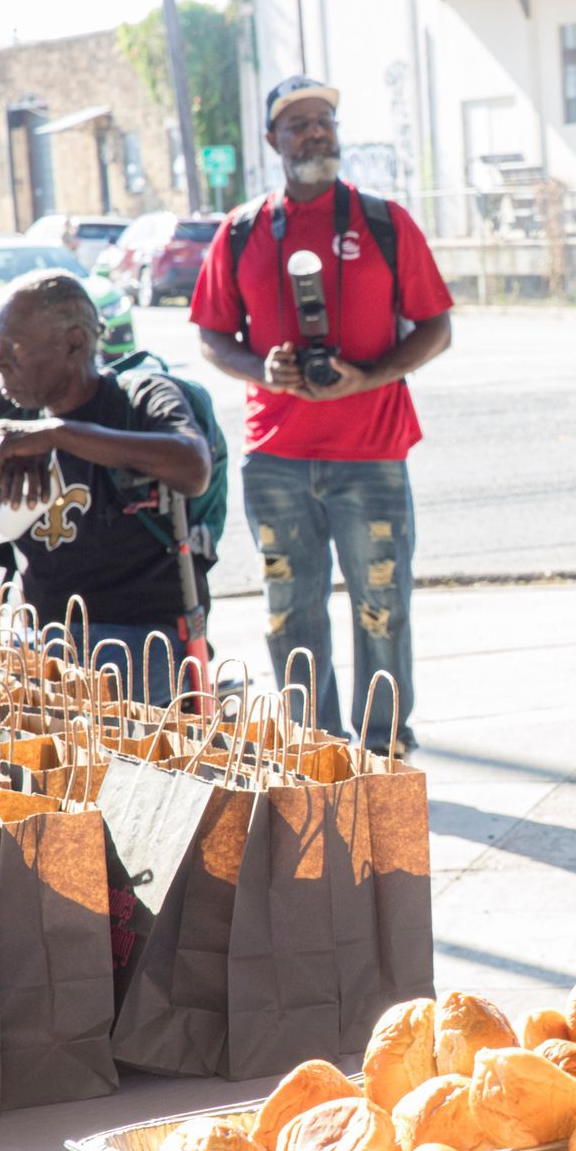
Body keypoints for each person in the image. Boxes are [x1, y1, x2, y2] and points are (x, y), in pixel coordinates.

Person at [191, 75, 454, 755]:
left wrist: (367, 376)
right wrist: (261, 370)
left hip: (371, 453)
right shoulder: (244, 230)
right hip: (276, 457)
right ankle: (317, 746)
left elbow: (435, 328)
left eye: (325, 120)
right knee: (290, 611)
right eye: (299, 122)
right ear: (272, 140)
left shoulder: (385, 222)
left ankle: (384, 744)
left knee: (382, 607)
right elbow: (213, 334)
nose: (316, 132)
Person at [0, 269, 213, 704]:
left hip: (138, 634)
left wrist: (56, 434)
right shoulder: (11, 412)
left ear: (73, 343)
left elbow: (193, 465)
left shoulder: (140, 396)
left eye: (11, 348)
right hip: (44, 632)